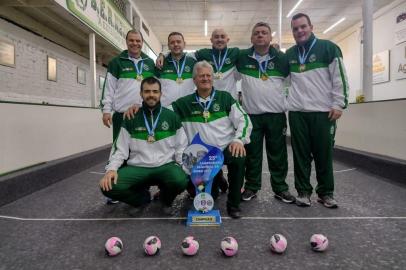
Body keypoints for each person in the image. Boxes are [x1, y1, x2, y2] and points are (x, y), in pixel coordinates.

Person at [171, 60, 252, 218]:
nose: (206, 78)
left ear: (213, 78)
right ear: (194, 79)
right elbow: (162, 113)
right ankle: (217, 178)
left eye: (208, 75)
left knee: (238, 156)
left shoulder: (225, 98)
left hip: (223, 149)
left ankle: (233, 204)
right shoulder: (183, 103)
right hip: (199, 155)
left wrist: (238, 140)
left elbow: (244, 119)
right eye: (201, 76)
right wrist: (139, 107)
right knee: (208, 196)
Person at [99, 77, 189, 214]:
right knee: (108, 187)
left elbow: (181, 147)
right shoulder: (131, 117)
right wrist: (111, 169)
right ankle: (141, 199)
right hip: (138, 167)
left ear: (160, 94)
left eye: (155, 91)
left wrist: (184, 167)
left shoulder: (171, 117)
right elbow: (120, 149)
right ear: (141, 94)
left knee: (181, 180)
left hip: (165, 165)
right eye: (147, 91)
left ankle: (165, 200)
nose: (151, 95)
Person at [286, 13, 349, 208]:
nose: (300, 31)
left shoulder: (329, 48)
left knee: (323, 154)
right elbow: (282, 83)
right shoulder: (289, 54)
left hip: (323, 112)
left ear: (311, 27)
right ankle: (303, 192)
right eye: (295, 29)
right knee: (300, 155)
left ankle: (326, 193)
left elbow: (339, 77)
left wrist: (339, 103)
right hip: (297, 113)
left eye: (303, 27)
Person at [237, 22, 295, 204]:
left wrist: (287, 103)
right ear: (252, 38)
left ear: (270, 37)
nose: (260, 35)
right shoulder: (241, 58)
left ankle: (280, 188)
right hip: (251, 115)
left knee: (278, 154)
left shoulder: (282, 59)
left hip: (276, 115)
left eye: (264, 33)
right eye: (256, 33)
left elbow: (296, 82)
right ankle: (251, 186)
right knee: (252, 154)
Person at [100, 30, 156, 141]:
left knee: (144, 152)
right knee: (121, 153)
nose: (135, 43)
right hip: (122, 116)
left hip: (145, 115)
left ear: (142, 43)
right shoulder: (116, 63)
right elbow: (108, 89)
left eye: (138, 41)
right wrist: (106, 111)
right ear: (126, 42)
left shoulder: (150, 63)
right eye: (131, 40)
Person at [157, 32, 197, 106]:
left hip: (188, 109)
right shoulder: (161, 63)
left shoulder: (193, 61)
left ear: (184, 44)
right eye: (172, 42)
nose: (175, 44)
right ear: (168, 46)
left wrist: (162, 54)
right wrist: (162, 54)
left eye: (178, 42)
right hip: (166, 109)